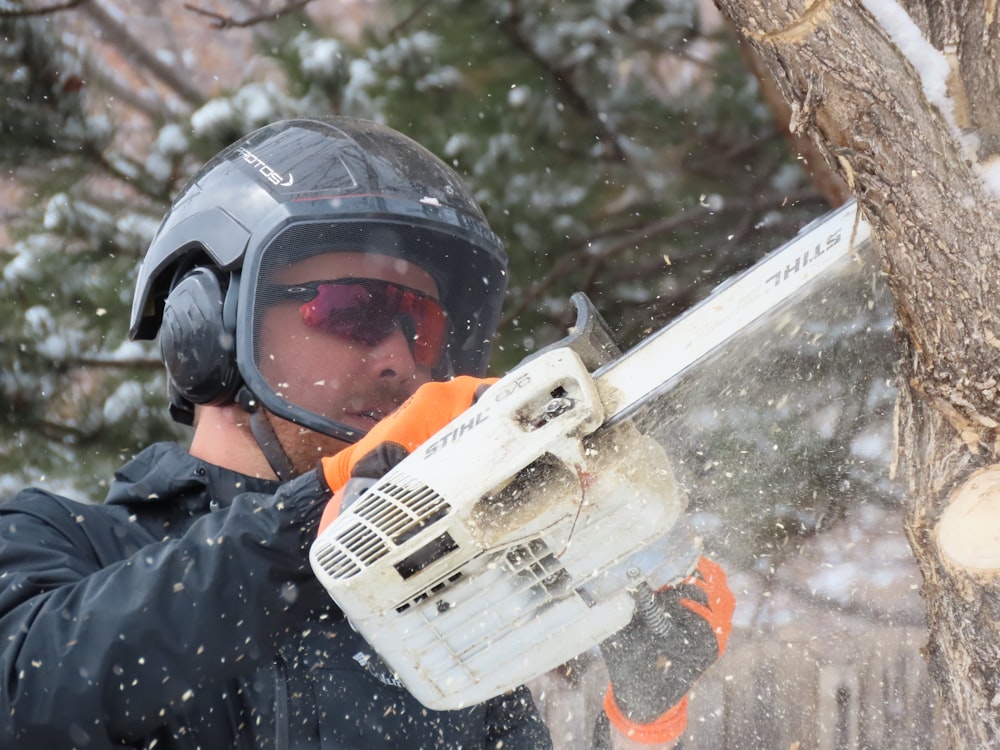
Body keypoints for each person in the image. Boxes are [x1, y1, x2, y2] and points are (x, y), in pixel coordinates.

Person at [0, 116, 734, 749]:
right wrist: (315, 519)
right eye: (354, 311)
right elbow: (30, 698)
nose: (398, 360)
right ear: (209, 325)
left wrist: (643, 717)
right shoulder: (61, 543)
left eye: (423, 327)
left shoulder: (433, 621)